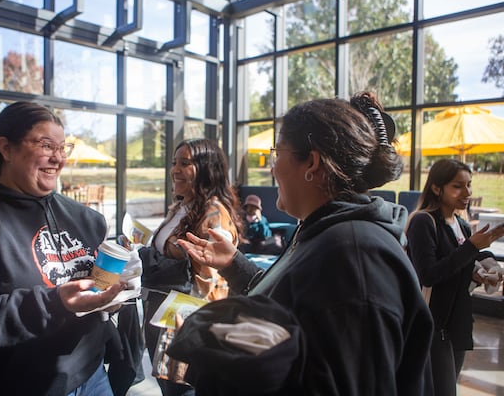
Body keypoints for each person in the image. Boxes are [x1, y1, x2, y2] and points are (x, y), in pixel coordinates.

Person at [174, 92, 435, 395]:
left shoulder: (355, 255)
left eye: (277, 153)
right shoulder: (322, 232)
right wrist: (235, 264)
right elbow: (296, 301)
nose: (273, 168)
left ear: (311, 162)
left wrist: (217, 352)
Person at [0, 101, 128, 396]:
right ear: (6, 148)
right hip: (5, 385)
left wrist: (110, 298)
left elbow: (94, 289)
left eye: (62, 147)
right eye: (45, 146)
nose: (57, 158)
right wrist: (55, 303)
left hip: (90, 377)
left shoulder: (86, 219)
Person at [135, 138, 242, 396]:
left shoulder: (213, 213)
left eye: (185, 163)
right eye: (174, 163)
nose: (175, 170)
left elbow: (212, 277)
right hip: (160, 313)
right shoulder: (182, 206)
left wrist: (148, 261)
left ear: (206, 168)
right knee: (168, 387)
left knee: (181, 389)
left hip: (185, 319)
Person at [405, 158, 504, 396]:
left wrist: (480, 275)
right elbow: (428, 275)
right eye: (457, 186)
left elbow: (457, 271)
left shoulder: (462, 225)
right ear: (437, 188)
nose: (467, 192)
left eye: (469, 185)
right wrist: (471, 247)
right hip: (433, 324)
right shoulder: (423, 221)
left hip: (456, 323)